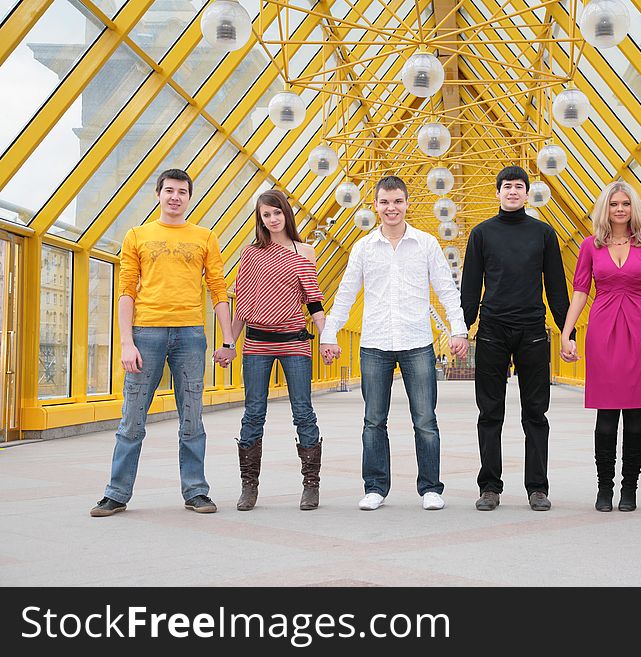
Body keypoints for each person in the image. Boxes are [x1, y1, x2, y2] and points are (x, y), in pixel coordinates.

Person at [91, 169, 235, 517]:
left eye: (182, 192)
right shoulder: (137, 235)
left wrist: (228, 339)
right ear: (158, 194)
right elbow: (126, 290)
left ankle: (196, 491)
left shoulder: (205, 237)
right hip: (146, 333)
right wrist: (126, 342)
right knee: (132, 417)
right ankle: (116, 493)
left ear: (189, 197)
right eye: (169, 190)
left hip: (190, 333)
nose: (175, 197)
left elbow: (218, 289)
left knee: (192, 417)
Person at [320, 176, 468, 511]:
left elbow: (446, 290)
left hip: (417, 341)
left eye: (398, 201)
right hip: (374, 343)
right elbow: (345, 295)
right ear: (375, 205)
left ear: (407, 203)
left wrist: (458, 329)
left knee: (425, 419)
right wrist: (330, 334)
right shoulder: (363, 248)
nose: (392, 208)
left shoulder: (427, 244)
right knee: (373, 420)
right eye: (385, 202)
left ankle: (430, 487)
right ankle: (375, 487)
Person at [559, 181, 641, 512]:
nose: (619, 209)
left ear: (633, 208)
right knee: (606, 415)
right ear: (605, 208)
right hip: (602, 330)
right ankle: (604, 488)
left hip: (639, 331)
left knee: (636, 417)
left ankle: (630, 489)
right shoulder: (590, 246)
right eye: (614, 204)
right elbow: (581, 292)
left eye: (625, 204)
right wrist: (567, 332)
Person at [460, 165, 572, 512]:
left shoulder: (543, 233)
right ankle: (489, 487)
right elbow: (470, 287)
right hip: (492, 330)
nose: (512, 191)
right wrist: (462, 330)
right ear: (497, 193)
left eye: (518, 186)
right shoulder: (481, 234)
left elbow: (556, 286)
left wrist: (568, 333)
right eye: (506, 186)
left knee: (535, 413)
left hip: (533, 331)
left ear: (527, 193)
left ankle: (537, 488)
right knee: (489, 413)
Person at [230, 190, 326, 512]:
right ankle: (249, 486)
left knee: (303, 412)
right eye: (265, 215)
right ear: (260, 218)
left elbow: (313, 301)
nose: (272, 219)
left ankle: (310, 485)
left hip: (295, 341)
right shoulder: (251, 254)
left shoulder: (305, 251)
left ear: (286, 213)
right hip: (256, 343)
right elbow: (242, 304)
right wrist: (230, 343)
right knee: (253, 413)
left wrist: (327, 338)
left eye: (277, 213)